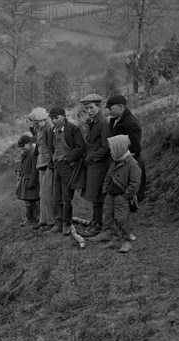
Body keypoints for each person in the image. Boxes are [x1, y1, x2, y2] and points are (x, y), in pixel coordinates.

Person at [90, 94, 144, 243]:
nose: (108, 111)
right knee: (110, 203)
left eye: (111, 108)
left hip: (126, 167)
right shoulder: (115, 120)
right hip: (116, 166)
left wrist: (118, 153)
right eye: (107, 108)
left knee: (124, 204)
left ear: (121, 107)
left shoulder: (131, 123)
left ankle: (123, 235)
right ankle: (109, 232)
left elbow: (135, 148)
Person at [44, 106, 87, 236]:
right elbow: (51, 147)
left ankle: (66, 224)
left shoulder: (73, 129)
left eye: (56, 118)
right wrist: (53, 160)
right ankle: (58, 223)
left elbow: (82, 147)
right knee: (56, 196)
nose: (54, 120)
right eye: (52, 118)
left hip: (68, 167)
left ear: (63, 116)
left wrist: (68, 159)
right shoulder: (52, 130)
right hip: (57, 165)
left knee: (66, 197)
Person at [101, 135, 141, 253]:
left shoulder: (132, 164)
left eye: (113, 149)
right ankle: (115, 239)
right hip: (111, 194)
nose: (111, 152)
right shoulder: (114, 160)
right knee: (110, 216)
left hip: (122, 197)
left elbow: (135, 183)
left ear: (120, 148)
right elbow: (108, 176)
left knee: (122, 220)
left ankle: (126, 242)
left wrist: (126, 196)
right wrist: (106, 189)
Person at [79, 94, 111, 237]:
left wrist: (91, 158)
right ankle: (95, 221)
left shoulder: (103, 123)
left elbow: (106, 147)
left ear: (99, 107)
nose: (89, 111)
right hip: (93, 164)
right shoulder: (93, 122)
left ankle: (98, 225)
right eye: (86, 108)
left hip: (99, 165)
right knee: (94, 195)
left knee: (97, 196)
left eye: (91, 107)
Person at [29, 107, 55, 233]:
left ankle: (51, 222)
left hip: (48, 164)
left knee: (47, 195)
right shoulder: (40, 130)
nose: (35, 125)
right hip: (41, 164)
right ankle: (43, 221)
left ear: (43, 119)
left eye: (37, 122)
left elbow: (51, 147)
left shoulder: (49, 129)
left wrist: (51, 163)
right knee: (42, 194)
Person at [16, 133, 40, 227]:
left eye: (23, 146)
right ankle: (29, 219)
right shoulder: (26, 154)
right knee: (27, 201)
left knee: (32, 201)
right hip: (25, 180)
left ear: (28, 144)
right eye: (20, 146)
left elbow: (35, 170)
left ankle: (35, 219)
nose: (22, 148)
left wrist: (32, 182)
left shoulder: (32, 153)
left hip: (31, 181)